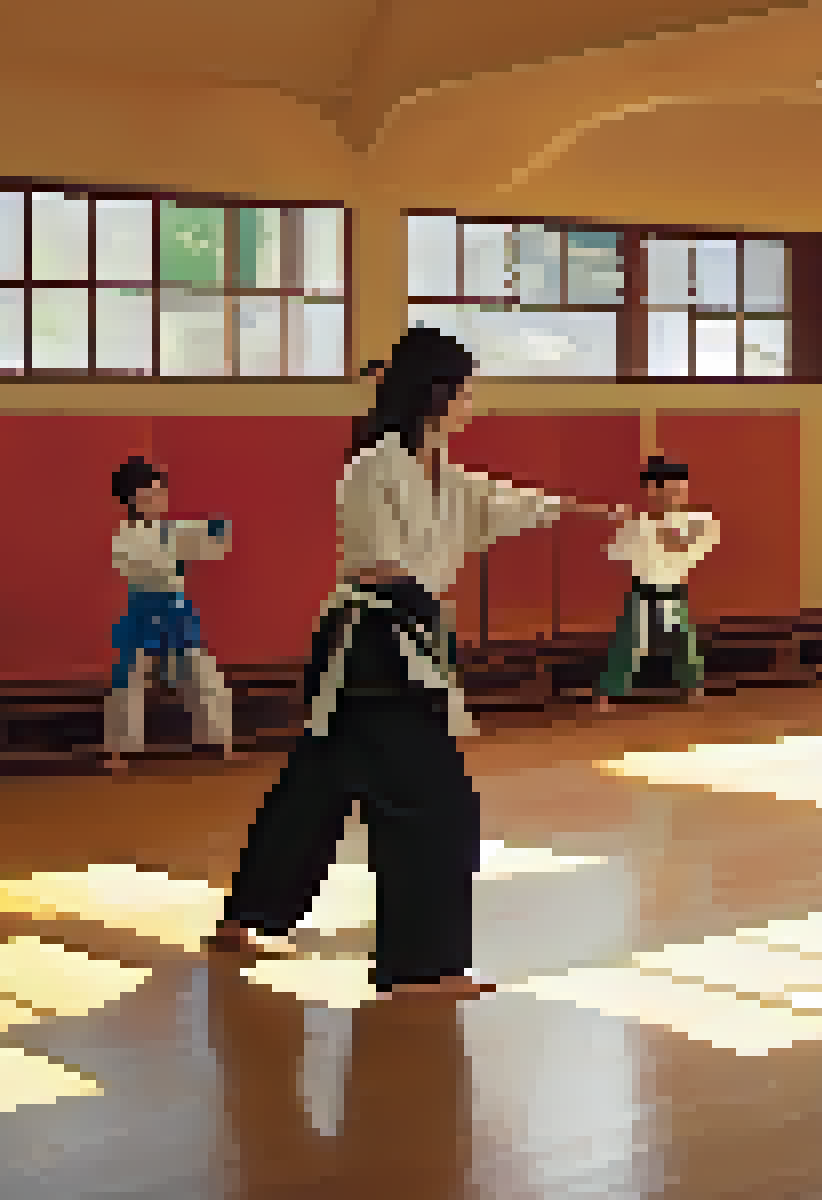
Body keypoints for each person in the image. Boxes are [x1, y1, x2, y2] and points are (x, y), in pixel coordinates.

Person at [205, 326, 627, 998]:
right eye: (466, 390)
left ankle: (250, 918)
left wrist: (588, 512)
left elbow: (504, 500)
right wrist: (427, 622)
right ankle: (420, 965)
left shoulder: (443, 475)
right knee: (435, 805)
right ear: (436, 393)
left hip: (394, 642)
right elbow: (380, 567)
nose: (472, 403)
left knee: (316, 789)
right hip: (375, 645)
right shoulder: (375, 466)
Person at [103, 458, 239, 771]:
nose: (158, 501)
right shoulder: (126, 537)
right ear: (133, 500)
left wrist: (216, 528)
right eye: (150, 496)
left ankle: (221, 741)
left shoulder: (173, 531)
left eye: (160, 494)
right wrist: (173, 547)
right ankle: (119, 749)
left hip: (176, 611)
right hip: (143, 610)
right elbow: (137, 564)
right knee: (129, 680)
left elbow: (210, 540)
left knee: (204, 676)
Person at [595, 457, 720, 712]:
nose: (670, 495)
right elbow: (613, 554)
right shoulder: (638, 524)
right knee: (628, 644)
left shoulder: (700, 521)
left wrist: (647, 524)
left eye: (676, 489)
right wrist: (624, 524)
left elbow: (679, 545)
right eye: (661, 489)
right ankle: (608, 695)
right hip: (642, 590)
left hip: (673, 590)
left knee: (684, 643)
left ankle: (694, 690)